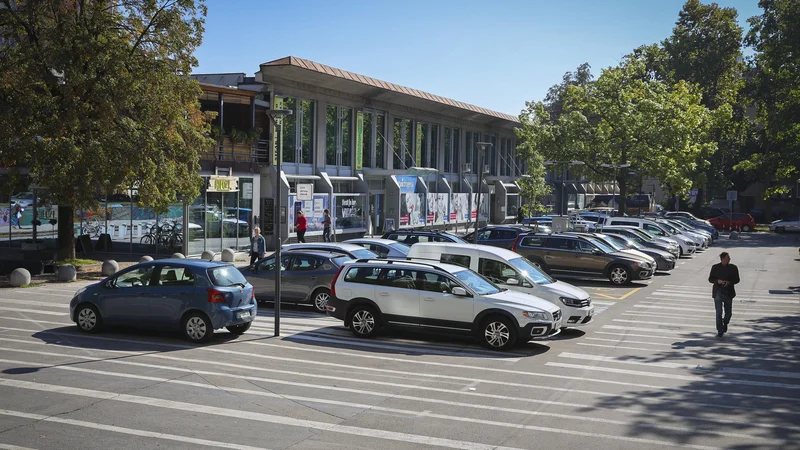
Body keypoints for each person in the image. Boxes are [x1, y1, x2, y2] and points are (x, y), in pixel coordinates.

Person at [708, 251, 740, 338]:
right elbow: (710, 279)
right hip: (718, 291)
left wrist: (729, 282)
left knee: (728, 313)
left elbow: (737, 280)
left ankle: (725, 322)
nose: (729, 259)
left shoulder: (733, 268)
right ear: (722, 259)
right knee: (718, 313)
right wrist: (717, 281)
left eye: (729, 258)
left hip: (728, 292)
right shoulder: (715, 267)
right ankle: (720, 330)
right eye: (727, 258)